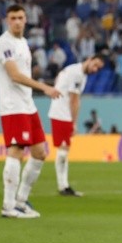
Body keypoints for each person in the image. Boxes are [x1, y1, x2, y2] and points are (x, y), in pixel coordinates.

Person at [0, 4, 62, 218]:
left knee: (40, 152)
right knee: (16, 150)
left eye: (20, 17)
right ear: (7, 20)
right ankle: (8, 205)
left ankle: (21, 200)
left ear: (26, 20)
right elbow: (14, 75)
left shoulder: (23, 43)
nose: (16, 21)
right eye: (12, 17)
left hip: (27, 104)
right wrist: (44, 87)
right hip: (13, 105)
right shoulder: (4, 43)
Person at [47, 54, 106, 197]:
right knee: (63, 150)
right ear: (90, 58)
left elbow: (59, 77)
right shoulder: (78, 75)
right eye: (95, 65)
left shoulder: (74, 70)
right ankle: (63, 186)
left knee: (64, 149)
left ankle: (64, 185)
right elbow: (74, 100)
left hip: (60, 112)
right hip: (62, 114)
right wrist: (74, 123)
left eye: (98, 68)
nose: (95, 69)